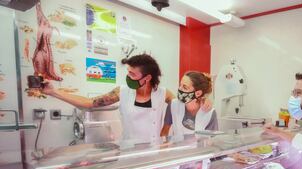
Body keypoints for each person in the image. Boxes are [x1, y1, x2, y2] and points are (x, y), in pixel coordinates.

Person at [37, 54, 211, 144]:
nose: (128, 75)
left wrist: (203, 100)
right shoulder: (122, 92)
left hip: (154, 152)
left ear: (147, 78)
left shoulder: (163, 93)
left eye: (132, 73)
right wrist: (53, 92)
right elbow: (89, 103)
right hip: (129, 151)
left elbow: (183, 106)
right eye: (128, 71)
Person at [161, 71, 218, 138]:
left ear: (198, 93)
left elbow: (213, 139)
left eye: (185, 87)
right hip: (178, 147)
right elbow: (164, 132)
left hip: (201, 148)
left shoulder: (210, 113)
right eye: (180, 85)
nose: (180, 89)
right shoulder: (173, 105)